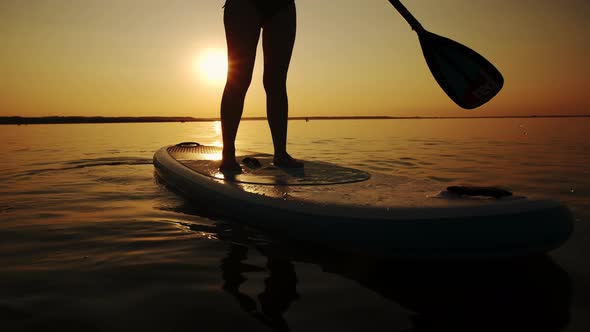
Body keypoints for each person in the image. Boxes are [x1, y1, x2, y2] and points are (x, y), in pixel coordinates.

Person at [219, 0, 303, 172]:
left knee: (276, 82)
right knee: (239, 79)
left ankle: (280, 153)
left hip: (282, 5)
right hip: (243, 4)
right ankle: (228, 154)